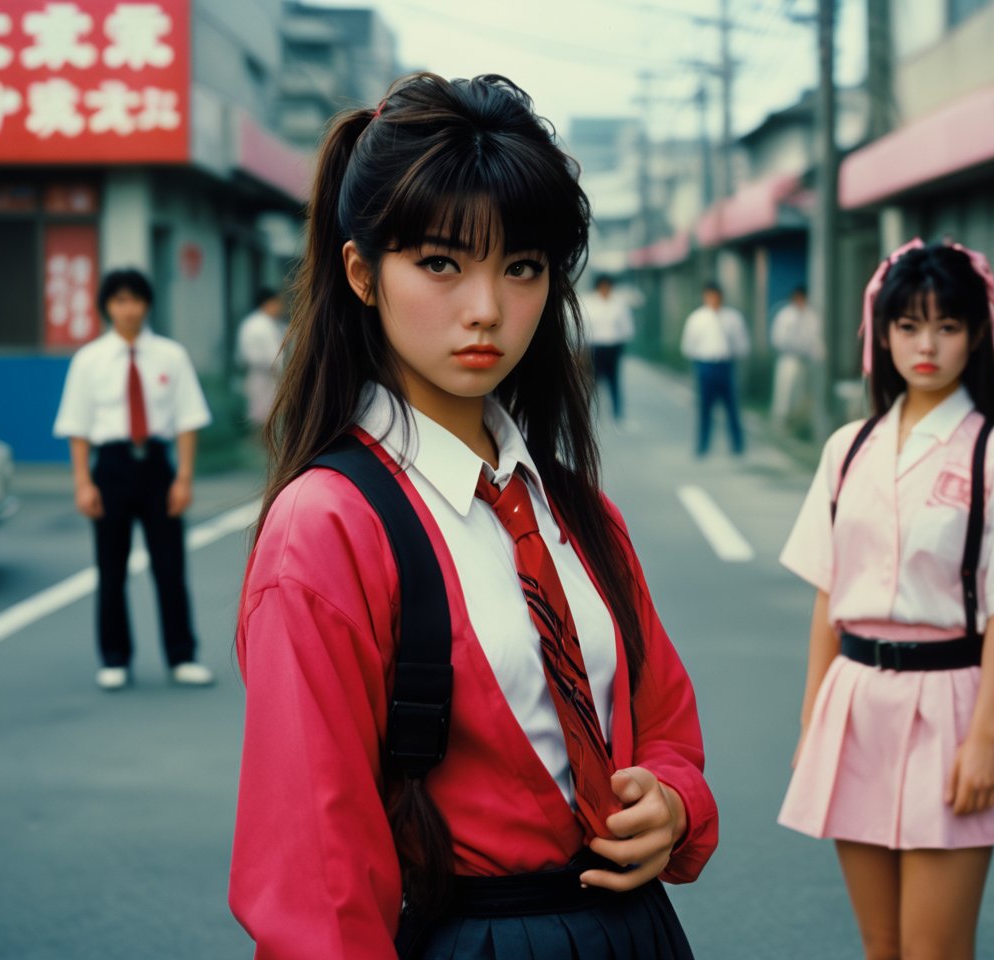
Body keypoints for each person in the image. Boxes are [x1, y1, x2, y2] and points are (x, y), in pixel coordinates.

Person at [229, 74, 717, 960]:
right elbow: (317, 886)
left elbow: (663, 718)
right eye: (442, 264)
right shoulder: (327, 529)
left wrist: (675, 800)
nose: (486, 309)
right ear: (361, 273)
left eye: (522, 268)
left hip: (637, 934)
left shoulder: (575, 508)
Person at [778, 240, 994, 960]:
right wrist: (814, 717)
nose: (926, 345)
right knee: (881, 948)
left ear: (977, 335)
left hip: (951, 707)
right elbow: (828, 591)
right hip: (856, 700)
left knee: (934, 950)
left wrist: (984, 737)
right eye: (907, 326)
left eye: (946, 326)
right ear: (883, 334)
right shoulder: (849, 447)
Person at [52, 268, 215, 691]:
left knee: (170, 567)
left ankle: (182, 656)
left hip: (157, 469)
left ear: (147, 305)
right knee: (111, 567)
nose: (129, 309)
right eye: (120, 300)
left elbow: (187, 421)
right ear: (107, 306)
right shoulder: (89, 360)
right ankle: (114, 658)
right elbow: (78, 428)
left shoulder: (170, 356)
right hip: (111, 467)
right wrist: (83, 483)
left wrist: (183, 479)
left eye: (137, 300)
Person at [680, 282, 749, 456]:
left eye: (716, 295)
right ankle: (703, 444)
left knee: (732, 407)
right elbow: (688, 345)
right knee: (705, 408)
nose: (713, 299)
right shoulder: (697, 318)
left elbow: (741, 344)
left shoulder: (732, 318)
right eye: (710, 295)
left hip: (725, 365)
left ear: (721, 296)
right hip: (705, 365)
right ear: (705, 297)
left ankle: (737, 445)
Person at [769, 285, 825, 430]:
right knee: (785, 391)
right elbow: (778, 338)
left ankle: (798, 422)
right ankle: (780, 421)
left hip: (805, 360)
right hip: (789, 357)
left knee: (801, 392)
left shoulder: (811, 316)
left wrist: (818, 353)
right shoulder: (785, 315)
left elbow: (815, 338)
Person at [581, 274, 634, 421]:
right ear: (598, 287)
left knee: (614, 381)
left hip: (613, 346)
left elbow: (626, 327)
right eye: (602, 287)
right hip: (595, 347)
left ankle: (618, 414)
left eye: (608, 287)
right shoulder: (590, 303)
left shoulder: (618, 305)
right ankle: (587, 413)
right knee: (593, 382)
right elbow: (585, 325)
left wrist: (621, 344)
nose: (605, 290)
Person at [235, 287, 287, 430]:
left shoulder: (271, 323)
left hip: (271, 377)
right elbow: (250, 356)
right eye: (277, 303)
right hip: (261, 376)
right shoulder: (256, 325)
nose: (280, 307)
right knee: (261, 418)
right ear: (268, 303)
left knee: (270, 416)